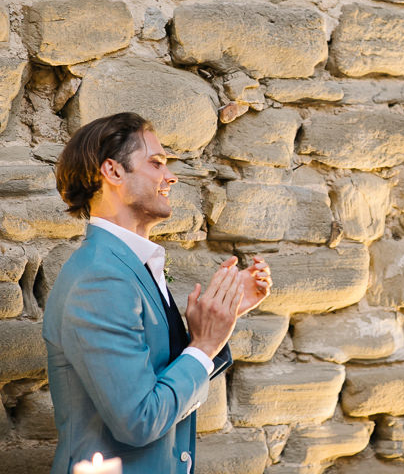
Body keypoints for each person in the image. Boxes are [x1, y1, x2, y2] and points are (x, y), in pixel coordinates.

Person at [43, 112, 273, 474]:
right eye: (157, 163)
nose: (171, 176)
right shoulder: (100, 278)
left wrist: (213, 324)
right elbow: (139, 420)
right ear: (113, 172)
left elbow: (157, 385)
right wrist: (204, 346)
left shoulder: (127, 265)